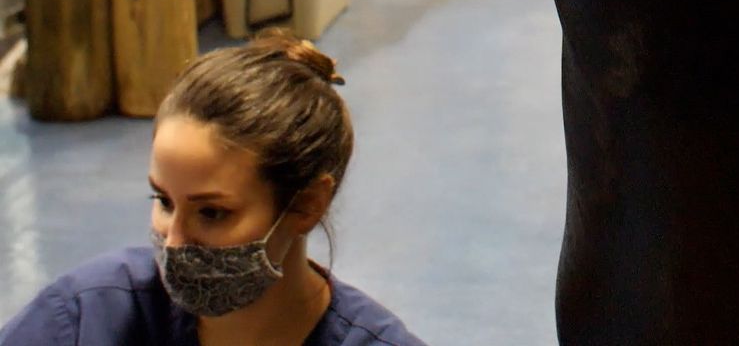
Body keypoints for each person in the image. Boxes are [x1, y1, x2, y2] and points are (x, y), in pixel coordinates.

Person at [0, 31, 429, 346]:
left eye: (211, 213)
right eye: (164, 201)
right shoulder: (87, 317)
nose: (174, 242)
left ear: (306, 205)